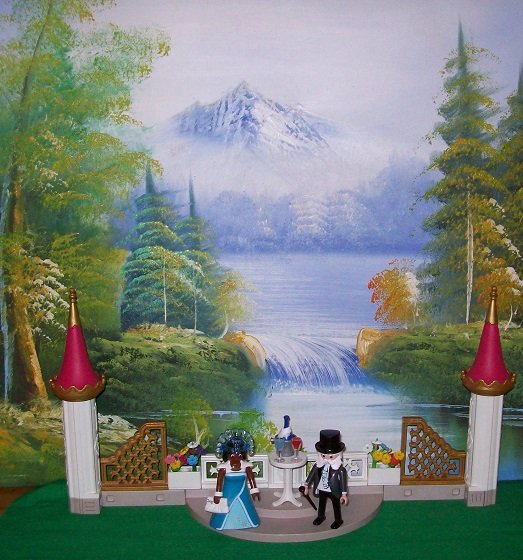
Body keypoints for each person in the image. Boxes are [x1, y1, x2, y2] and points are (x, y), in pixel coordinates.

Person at [209, 429, 260, 531]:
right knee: (226, 507)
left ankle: (248, 521)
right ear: (227, 456)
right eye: (232, 456)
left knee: (246, 505)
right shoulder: (224, 467)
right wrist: (218, 494)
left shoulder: (246, 466)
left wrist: (254, 490)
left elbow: (251, 478)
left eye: (239, 455)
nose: (236, 458)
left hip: (243, 492)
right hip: (228, 492)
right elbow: (219, 481)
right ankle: (222, 523)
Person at [303, 429, 348, 529]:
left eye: (331, 457)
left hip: (334, 490)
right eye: (323, 456)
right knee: (321, 503)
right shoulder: (318, 465)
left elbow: (343, 482)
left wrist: (344, 494)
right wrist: (306, 485)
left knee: (336, 505)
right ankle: (321, 516)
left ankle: (338, 520)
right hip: (322, 488)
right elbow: (311, 475)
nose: (326, 459)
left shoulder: (340, 470)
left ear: (338, 455)